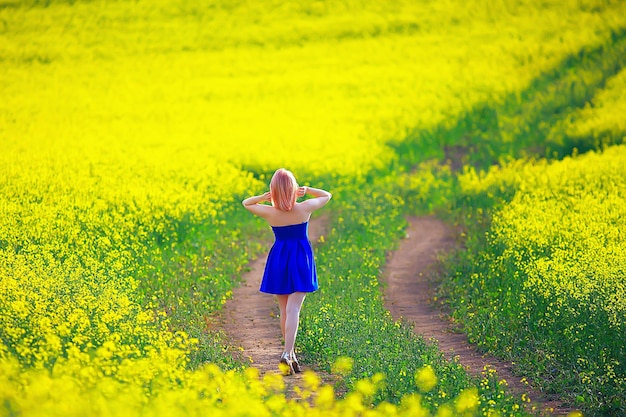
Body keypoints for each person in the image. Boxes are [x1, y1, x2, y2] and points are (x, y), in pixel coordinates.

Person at [242, 168, 332, 375]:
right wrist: (307, 190)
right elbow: (327, 195)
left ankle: (290, 355)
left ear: (273, 190)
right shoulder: (304, 208)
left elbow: (246, 203)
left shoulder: (270, 212)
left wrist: (264, 197)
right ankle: (287, 352)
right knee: (294, 310)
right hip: (301, 257)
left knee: (285, 310)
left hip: (279, 258)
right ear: (294, 189)